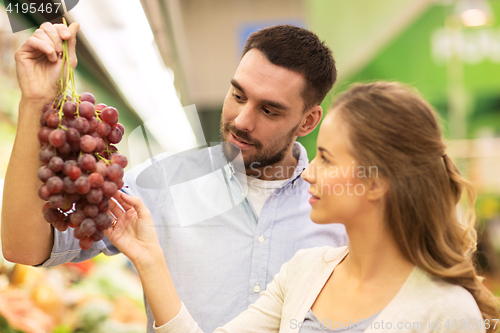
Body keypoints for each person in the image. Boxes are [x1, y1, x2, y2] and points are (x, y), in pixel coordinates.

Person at [1, 22, 347, 332]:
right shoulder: (164, 182)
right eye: (238, 95)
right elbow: (23, 248)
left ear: (307, 122)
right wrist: (35, 101)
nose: (242, 120)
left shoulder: (343, 214)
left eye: (269, 110)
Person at [105, 81, 500, 333]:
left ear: (375, 183)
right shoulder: (306, 273)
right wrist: (149, 258)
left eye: (326, 159)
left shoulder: (448, 313)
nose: (308, 174)